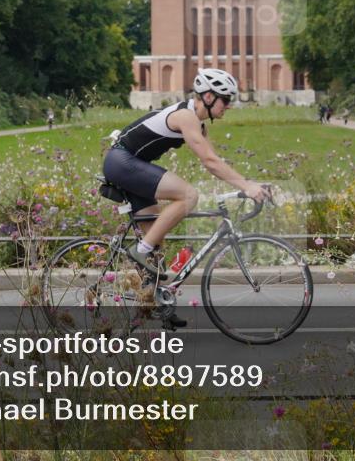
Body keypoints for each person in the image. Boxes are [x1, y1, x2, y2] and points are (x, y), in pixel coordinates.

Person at [102, 68, 268, 327]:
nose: (229, 106)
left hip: (131, 164)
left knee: (155, 245)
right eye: (226, 100)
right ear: (210, 97)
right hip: (122, 161)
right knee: (188, 196)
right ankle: (139, 250)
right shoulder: (186, 116)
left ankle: (159, 306)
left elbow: (212, 162)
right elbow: (211, 162)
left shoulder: (198, 124)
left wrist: (241, 185)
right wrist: (247, 186)